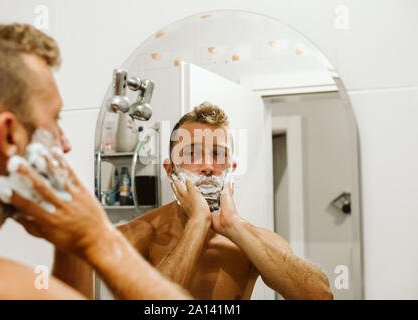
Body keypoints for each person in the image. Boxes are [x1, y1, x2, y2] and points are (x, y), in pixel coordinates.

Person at [0, 22, 190, 300]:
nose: (65, 143)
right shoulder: (1, 288)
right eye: (55, 120)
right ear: (10, 136)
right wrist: (98, 238)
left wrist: (72, 249)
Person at [114, 103, 334, 300]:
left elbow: (320, 296)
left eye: (219, 155)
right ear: (170, 170)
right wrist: (197, 223)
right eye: (192, 153)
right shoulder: (136, 235)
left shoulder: (250, 240)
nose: (208, 166)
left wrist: (234, 225)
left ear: (232, 170)